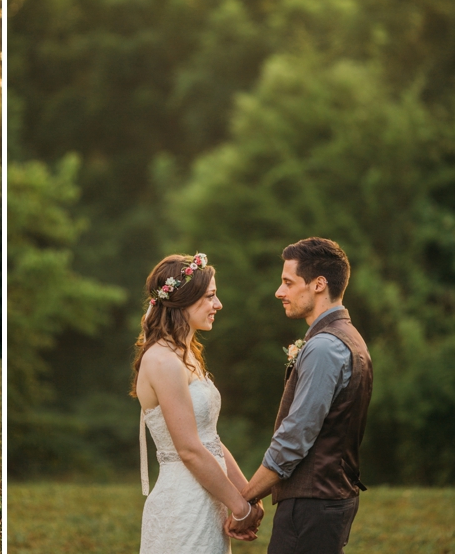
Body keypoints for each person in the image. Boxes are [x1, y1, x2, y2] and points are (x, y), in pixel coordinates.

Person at [230, 237, 373, 553]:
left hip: (312, 506)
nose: (279, 292)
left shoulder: (324, 347)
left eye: (288, 282)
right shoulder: (349, 338)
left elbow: (294, 438)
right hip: (328, 499)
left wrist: (245, 499)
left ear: (319, 284)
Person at [134, 253, 263, 553]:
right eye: (210, 296)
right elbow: (190, 450)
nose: (218, 304)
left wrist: (248, 496)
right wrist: (239, 507)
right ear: (183, 301)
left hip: (208, 498)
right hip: (184, 504)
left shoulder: (186, 355)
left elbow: (210, 439)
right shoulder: (162, 360)